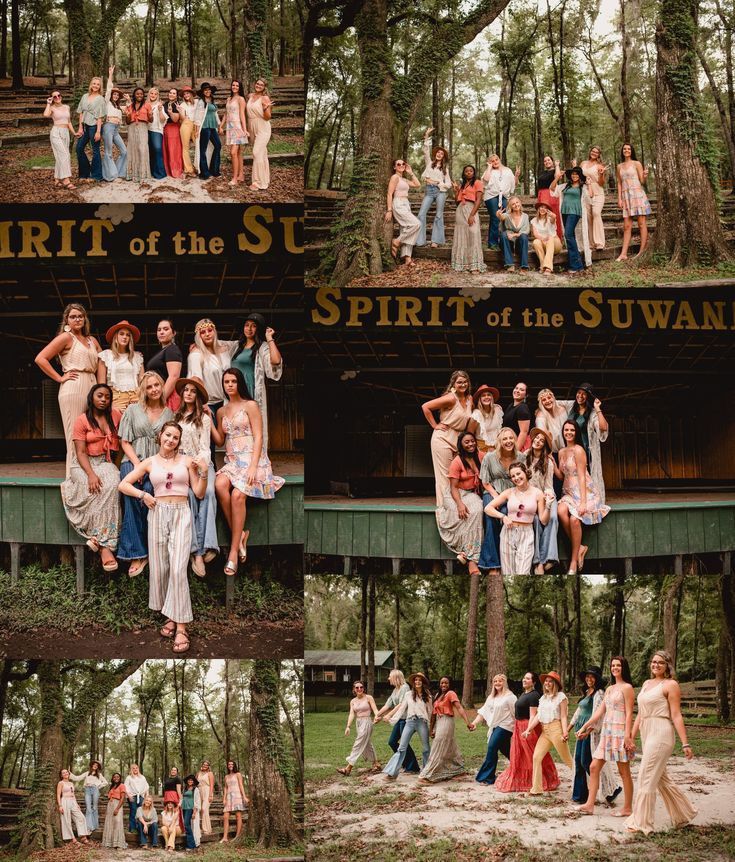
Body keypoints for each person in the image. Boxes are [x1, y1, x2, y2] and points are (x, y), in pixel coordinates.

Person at [119, 420, 208, 653]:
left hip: (181, 514)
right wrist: (143, 495)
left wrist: (205, 473)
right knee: (161, 568)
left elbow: (198, 493)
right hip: (157, 513)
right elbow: (123, 485)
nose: (171, 440)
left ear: (179, 441)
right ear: (160, 436)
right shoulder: (149, 463)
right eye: (167, 435)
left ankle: (181, 628)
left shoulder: (187, 461)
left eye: (175, 438)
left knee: (179, 569)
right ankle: (170, 616)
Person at [212, 368, 284, 575]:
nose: (230, 385)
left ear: (239, 383)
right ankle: (240, 534)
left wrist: (253, 466)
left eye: (233, 381)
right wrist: (208, 421)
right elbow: (219, 440)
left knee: (237, 495)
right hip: (233, 461)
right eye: (226, 382)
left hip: (254, 460)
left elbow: (259, 437)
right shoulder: (221, 412)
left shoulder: (251, 405)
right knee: (219, 485)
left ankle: (233, 553)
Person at [625, 649, 697, 834]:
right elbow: (640, 713)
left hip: (661, 732)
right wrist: (631, 737)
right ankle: (683, 814)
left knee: (645, 775)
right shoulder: (647, 683)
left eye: (660, 662)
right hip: (647, 731)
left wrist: (685, 743)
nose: (656, 665)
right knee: (661, 779)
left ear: (667, 666)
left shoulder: (671, 685)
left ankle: (642, 823)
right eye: (654, 662)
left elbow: (676, 715)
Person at [117, 372, 174, 576]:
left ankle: (152, 548)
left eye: (156, 385)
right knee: (131, 495)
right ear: (144, 390)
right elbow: (124, 441)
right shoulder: (133, 410)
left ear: (161, 386)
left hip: (156, 463)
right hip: (133, 460)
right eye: (149, 387)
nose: (154, 389)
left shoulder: (169, 414)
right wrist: (137, 465)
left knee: (151, 492)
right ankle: (137, 553)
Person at [34, 303, 102, 477]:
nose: (77, 319)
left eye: (80, 316)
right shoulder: (66, 337)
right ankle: (74, 480)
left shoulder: (92, 340)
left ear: (85, 319)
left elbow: (102, 362)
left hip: (93, 385)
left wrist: (102, 387)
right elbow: (40, 358)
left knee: (94, 431)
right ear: (67, 320)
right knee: (75, 435)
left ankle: (93, 475)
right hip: (74, 385)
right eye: (73, 316)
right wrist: (59, 378)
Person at [61, 383, 121, 572]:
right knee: (93, 487)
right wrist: (91, 474)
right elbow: (79, 452)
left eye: (107, 397)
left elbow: (124, 438)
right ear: (91, 398)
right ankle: (104, 547)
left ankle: (97, 538)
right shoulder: (82, 420)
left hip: (104, 462)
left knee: (113, 484)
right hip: (82, 464)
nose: (103, 400)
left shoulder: (116, 416)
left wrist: (115, 466)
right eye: (99, 396)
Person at [575, 656, 636, 817]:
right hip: (607, 733)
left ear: (624, 668)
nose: (615, 668)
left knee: (624, 772)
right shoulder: (609, 689)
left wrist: (628, 736)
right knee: (594, 767)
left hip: (620, 731)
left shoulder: (627, 688)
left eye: (618, 665)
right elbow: (599, 712)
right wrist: (584, 727)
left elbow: (629, 713)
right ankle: (589, 805)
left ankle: (627, 808)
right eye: (613, 665)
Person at [174, 378, 219, 576]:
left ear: (198, 396)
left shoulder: (205, 418)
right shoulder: (176, 417)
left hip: (201, 463)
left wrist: (200, 466)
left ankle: (207, 544)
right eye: (186, 390)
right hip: (183, 465)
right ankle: (197, 553)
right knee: (189, 496)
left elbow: (205, 447)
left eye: (193, 391)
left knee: (208, 492)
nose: (189, 393)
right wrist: (185, 463)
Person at [557, 420, 610, 573]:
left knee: (574, 519)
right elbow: (562, 476)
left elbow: (581, 476)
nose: (568, 433)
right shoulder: (561, 452)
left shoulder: (579, 450)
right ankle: (580, 546)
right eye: (566, 430)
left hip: (584, 491)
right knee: (561, 511)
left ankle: (574, 561)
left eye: (572, 430)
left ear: (576, 432)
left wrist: (583, 503)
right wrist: (553, 466)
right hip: (568, 491)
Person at [228, 314, 283, 455]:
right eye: (247, 325)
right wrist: (196, 347)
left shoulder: (262, 347)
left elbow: (276, 361)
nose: (250, 329)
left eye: (254, 326)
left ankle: (256, 461)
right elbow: (215, 346)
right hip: (234, 393)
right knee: (235, 427)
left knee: (252, 428)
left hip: (250, 392)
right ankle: (237, 461)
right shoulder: (235, 346)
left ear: (258, 329)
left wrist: (269, 338)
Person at [495, 672, 559, 793]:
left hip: (527, 726)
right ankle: (525, 779)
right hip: (519, 726)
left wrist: (528, 730)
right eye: (524, 677)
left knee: (530, 754)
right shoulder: (525, 694)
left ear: (533, 682)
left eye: (528, 678)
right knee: (520, 755)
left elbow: (533, 715)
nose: (524, 680)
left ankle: (539, 780)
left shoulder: (534, 696)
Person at [484, 461, 550, 576]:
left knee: (523, 573)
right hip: (508, 532)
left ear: (526, 472)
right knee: (508, 573)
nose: (516, 478)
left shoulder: (537, 493)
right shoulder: (509, 492)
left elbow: (543, 520)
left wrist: (548, 506)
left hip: (526, 534)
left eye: (519, 474)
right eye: (513, 476)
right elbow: (488, 508)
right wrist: (503, 516)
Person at [421, 370, 474, 506]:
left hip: (458, 439)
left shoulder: (470, 399)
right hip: (443, 437)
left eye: (465, 381)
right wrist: (434, 425)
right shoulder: (451, 398)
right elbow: (426, 407)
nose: (463, 384)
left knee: (456, 474)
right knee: (444, 476)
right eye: (459, 382)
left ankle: (456, 504)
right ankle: (444, 507)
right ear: (454, 384)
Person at [436, 431, 485, 575]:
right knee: (460, 513)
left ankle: (467, 555)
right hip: (455, 494)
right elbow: (452, 487)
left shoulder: (481, 456)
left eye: (472, 441)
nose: (470, 444)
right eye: (467, 442)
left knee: (477, 511)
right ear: (461, 445)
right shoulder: (457, 461)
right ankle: (471, 558)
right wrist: (459, 504)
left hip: (471, 493)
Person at [570, 666, 618, 805]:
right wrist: (569, 728)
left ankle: (610, 789)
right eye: (587, 676)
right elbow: (578, 713)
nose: (589, 679)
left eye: (592, 676)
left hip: (591, 733)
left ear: (597, 679)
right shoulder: (586, 692)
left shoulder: (600, 693)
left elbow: (599, 714)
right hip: (581, 730)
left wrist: (589, 730)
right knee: (579, 761)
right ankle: (580, 795)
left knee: (587, 762)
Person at [522, 670, 574, 795]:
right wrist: (528, 729)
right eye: (546, 681)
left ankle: (585, 784)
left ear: (555, 684)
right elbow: (538, 716)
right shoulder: (543, 698)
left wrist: (565, 731)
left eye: (550, 681)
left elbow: (563, 716)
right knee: (536, 757)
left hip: (556, 729)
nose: (547, 683)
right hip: (545, 731)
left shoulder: (561, 697)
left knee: (568, 760)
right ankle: (536, 789)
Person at [557, 383, 609, 504]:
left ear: (588, 397)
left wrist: (598, 408)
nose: (580, 396)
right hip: (570, 448)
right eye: (579, 393)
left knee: (586, 477)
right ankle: (574, 500)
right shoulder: (570, 406)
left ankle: (588, 502)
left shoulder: (592, 413)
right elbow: (552, 403)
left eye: (584, 394)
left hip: (586, 450)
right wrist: (540, 410)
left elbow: (603, 427)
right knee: (572, 477)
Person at [478, 426, 519, 573]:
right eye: (505, 439)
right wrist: (495, 496)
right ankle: (491, 565)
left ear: (515, 439)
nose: (508, 441)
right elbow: (485, 481)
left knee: (507, 512)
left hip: (513, 493)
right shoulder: (490, 457)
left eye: (511, 438)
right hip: (492, 491)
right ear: (499, 442)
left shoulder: (520, 457)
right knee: (491, 518)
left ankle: (508, 561)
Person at [419, 677, 471, 783]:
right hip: (439, 721)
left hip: (447, 721)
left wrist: (468, 723)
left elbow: (459, 707)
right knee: (450, 746)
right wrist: (431, 729)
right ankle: (458, 769)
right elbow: (433, 714)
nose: (444, 685)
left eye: (446, 683)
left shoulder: (451, 693)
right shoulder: (438, 696)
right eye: (442, 682)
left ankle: (430, 774)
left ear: (450, 684)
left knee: (438, 744)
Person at [382, 672, 432, 779]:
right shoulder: (408, 694)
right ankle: (392, 773)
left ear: (423, 682)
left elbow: (430, 712)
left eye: (420, 680)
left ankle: (426, 772)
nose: (417, 682)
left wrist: (432, 728)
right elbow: (402, 709)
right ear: (413, 682)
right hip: (409, 722)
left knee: (426, 748)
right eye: (416, 680)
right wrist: (392, 718)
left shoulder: (427, 695)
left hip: (422, 723)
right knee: (401, 748)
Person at [470, 674, 517, 785]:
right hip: (495, 727)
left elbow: (515, 713)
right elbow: (482, 712)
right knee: (505, 749)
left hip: (506, 726)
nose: (497, 683)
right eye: (495, 681)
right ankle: (521, 766)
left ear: (504, 682)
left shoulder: (510, 697)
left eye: (500, 681)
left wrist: (519, 728)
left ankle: (488, 777)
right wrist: (474, 723)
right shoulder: (491, 697)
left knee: (492, 747)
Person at [524, 428, 558, 573]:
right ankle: (538, 561)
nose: (538, 441)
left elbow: (549, 485)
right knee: (536, 520)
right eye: (536, 438)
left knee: (553, 518)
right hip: (529, 496)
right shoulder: (524, 456)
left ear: (544, 445)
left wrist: (548, 498)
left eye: (541, 440)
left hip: (545, 495)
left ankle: (548, 558)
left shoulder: (548, 462)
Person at [373, 670, 420, 774]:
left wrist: (390, 715)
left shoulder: (405, 687)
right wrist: (377, 715)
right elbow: (387, 704)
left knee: (404, 743)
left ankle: (413, 767)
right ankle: (405, 764)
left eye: (390, 676)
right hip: (400, 720)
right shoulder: (395, 690)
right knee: (392, 742)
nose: (388, 678)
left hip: (407, 719)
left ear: (396, 677)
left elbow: (401, 704)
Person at [97, 319, 145, 413]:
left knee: (137, 426)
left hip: (136, 396)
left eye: (128, 335)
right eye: (121, 334)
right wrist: (109, 403)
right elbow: (101, 385)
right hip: (116, 397)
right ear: (115, 337)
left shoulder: (137, 356)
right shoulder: (106, 355)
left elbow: (142, 381)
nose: (125, 337)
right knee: (117, 426)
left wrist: (142, 398)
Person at [550, 165, 590, 274]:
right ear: (570, 176)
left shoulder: (583, 187)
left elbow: (591, 196)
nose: (574, 176)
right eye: (573, 174)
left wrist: (590, 184)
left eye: (577, 174)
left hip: (575, 212)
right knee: (570, 236)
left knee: (568, 235)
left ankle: (576, 264)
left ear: (580, 176)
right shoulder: (565, 186)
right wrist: (557, 177)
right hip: (564, 212)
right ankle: (576, 265)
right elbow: (552, 188)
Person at [416, 127, 452, 247]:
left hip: (440, 192)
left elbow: (449, 184)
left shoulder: (445, 169)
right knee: (421, 214)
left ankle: (435, 241)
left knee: (438, 215)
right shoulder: (429, 164)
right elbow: (425, 150)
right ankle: (420, 240)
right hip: (429, 192)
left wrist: (438, 183)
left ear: (443, 157)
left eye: (442, 153)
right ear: (435, 154)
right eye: (438, 152)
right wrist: (426, 135)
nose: (439, 154)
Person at [616, 143, 651, 260]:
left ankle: (642, 251)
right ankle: (623, 254)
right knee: (627, 226)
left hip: (637, 195)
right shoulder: (619, 166)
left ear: (632, 151)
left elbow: (642, 181)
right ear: (622, 151)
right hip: (626, 197)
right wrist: (619, 198)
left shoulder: (637, 164)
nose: (626, 150)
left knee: (641, 223)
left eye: (629, 149)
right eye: (624, 149)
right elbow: (619, 183)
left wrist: (645, 176)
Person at [338, 680, 381, 775]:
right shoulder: (353, 701)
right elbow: (351, 714)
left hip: (367, 721)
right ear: (354, 689)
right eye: (357, 687)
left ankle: (348, 768)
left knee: (358, 743)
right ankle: (376, 764)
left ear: (363, 688)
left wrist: (377, 716)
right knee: (367, 744)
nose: (359, 689)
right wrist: (348, 726)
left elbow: (375, 709)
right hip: (358, 723)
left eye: (361, 687)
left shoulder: (368, 697)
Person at [385, 157, 421, 265]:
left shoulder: (404, 179)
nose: (401, 166)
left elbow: (417, 185)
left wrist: (411, 173)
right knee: (416, 224)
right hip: (398, 204)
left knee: (407, 228)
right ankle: (397, 241)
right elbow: (389, 194)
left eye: (403, 164)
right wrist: (389, 210)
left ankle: (407, 258)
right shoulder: (395, 177)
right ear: (394, 167)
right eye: (398, 164)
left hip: (406, 204)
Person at [451, 165, 487, 272]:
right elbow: (456, 202)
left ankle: (474, 265)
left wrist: (472, 215)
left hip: (472, 209)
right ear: (464, 173)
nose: (468, 172)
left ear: (474, 172)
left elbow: (479, 200)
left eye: (471, 171)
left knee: (473, 233)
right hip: (460, 211)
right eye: (466, 171)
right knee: (462, 235)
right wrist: (456, 191)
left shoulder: (478, 183)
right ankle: (462, 264)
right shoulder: (463, 185)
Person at [481, 154, 520, 249]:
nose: (495, 162)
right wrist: (489, 167)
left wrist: (516, 176)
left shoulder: (508, 170)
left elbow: (514, 183)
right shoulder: (489, 171)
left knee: (505, 218)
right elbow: (485, 180)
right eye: (492, 161)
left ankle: (504, 241)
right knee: (495, 217)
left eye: (496, 159)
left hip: (504, 197)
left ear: (499, 159)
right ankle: (492, 243)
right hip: (491, 196)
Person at [146, 319, 183, 411]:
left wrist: (160, 400)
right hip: (158, 395)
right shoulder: (163, 351)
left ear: (174, 333)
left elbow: (174, 376)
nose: (162, 332)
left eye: (166, 329)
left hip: (167, 398)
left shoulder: (172, 349)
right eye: (159, 330)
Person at [44, 89, 77, 189]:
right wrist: (48, 104)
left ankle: (57, 179)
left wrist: (74, 133)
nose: (57, 97)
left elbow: (69, 122)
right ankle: (66, 180)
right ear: (52, 99)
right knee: (64, 154)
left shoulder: (67, 107)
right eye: (54, 97)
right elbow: (45, 114)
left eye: (59, 95)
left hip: (65, 133)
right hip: (56, 133)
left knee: (60, 156)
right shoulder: (52, 108)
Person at [75, 76, 106, 181]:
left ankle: (96, 176)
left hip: (94, 126)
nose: (96, 86)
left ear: (100, 86)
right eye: (94, 83)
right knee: (79, 148)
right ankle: (84, 173)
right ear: (91, 85)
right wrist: (80, 127)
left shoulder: (100, 99)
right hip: (85, 127)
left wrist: (98, 131)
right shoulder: (84, 96)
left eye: (98, 84)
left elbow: (100, 117)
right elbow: (81, 112)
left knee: (95, 150)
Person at [101, 66, 128, 182]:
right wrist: (110, 74)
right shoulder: (107, 102)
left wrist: (128, 100)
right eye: (114, 94)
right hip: (108, 127)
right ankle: (110, 175)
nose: (116, 96)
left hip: (116, 130)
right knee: (108, 152)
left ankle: (118, 171)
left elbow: (129, 108)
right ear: (111, 95)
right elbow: (108, 89)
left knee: (124, 151)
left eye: (117, 95)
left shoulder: (118, 107)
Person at [579, 146, 608, 250]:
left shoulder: (600, 165)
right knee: (588, 217)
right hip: (585, 191)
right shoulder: (583, 163)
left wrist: (601, 174)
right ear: (590, 152)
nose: (594, 153)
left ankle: (599, 243)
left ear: (599, 155)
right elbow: (578, 178)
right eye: (593, 151)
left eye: (597, 152)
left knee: (596, 213)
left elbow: (601, 183)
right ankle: (591, 243)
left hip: (597, 191)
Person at [247, 78, 273, 190]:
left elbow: (268, 117)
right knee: (262, 154)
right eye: (257, 83)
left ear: (264, 87)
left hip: (263, 127)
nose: (258, 85)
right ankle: (265, 180)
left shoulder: (265, 98)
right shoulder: (250, 96)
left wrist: (265, 108)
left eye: (261, 85)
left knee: (256, 152)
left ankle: (257, 182)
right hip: (252, 126)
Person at [69, 760, 108, 832]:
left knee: (94, 807)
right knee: (88, 807)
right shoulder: (87, 773)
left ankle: (95, 825)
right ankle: (89, 826)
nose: (95, 766)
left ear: (98, 767)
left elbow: (106, 782)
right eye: (94, 764)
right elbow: (77, 778)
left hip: (95, 790)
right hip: (87, 790)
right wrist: (69, 773)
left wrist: (97, 786)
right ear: (92, 765)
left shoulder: (99, 775)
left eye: (97, 765)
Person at [223, 80, 249, 186]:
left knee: (233, 153)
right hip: (230, 127)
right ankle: (241, 175)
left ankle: (234, 178)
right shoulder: (229, 99)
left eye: (237, 85)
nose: (234, 87)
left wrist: (245, 129)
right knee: (238, 153)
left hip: (237, 128)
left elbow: (242, 115)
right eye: (233, 85)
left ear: (240, 87)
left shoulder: (241, 99)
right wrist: (221, 125)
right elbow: (226, 113)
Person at [125, 87, 152, 181]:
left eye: (141, 94)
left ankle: (144, 174)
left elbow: (151, 120)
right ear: (134, 95)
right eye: (137, 94)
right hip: (132, 128)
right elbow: (127, 122)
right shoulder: (130, 106)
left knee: (143, 148)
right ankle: (133, 175)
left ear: (143, 95)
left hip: (143, 127)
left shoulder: (147, 105)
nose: (139, 95)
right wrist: (128, 115)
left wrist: (151, 115)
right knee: (133, 149)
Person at [57, 769, 91, 845]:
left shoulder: (71, 783)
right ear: (61, 775)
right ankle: (73, 839)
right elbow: (58, 795)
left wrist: (76, 804)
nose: (65, 773)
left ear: (69, 774)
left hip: (72, 801)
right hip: (65, 801)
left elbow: (73, 794)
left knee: (81, 817)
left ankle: (83, 836)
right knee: (67, 820)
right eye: (63, 773)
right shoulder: (61, 783)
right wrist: (60, 806)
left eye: (66, 772)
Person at [196, 83, 222, 180]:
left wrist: (219, 126)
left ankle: (214, 170)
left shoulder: (212, 100)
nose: (208, 91)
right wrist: (197, 130)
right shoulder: (201, 102)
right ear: (203, 92)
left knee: (218, 145)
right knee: (203, 150)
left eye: (209, 90)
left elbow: (215, 114)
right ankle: (204, 172)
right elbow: (198, 117)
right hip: (204, 127)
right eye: (205, 90)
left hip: (212, 127)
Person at [498, 196, 530, 272]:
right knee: (503, 235)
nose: (516, 205)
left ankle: (524, 267)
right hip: (508, 243)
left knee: (524, 236)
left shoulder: (525, 216)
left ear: (520, 203)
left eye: (517, 202)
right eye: (513, 204)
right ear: (510, 207)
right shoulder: (507, 215)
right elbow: (502, 217)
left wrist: (514, 235)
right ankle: (510, 265)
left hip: (519, 244)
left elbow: (525, 231)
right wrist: (499, 215)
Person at [530, 200, 562, 275]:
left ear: (548, 210)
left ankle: (548, 267)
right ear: (538, 209)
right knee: (536, 241)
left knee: (550, 238)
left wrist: (554, 217)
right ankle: (542, 265)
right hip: (544, 243)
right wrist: (543, 239)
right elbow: (535, 234)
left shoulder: (550, 219)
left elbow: (552, 220)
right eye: (541, 207)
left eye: (545, 208)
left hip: (555, 244)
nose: (543, 209)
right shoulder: (534, 221)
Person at [535, 155, 563, 239]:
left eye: (549, 160)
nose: (547, 162)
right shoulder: (543, 172)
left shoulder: (555, 170)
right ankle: (545, 236)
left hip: (550, 194)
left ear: (552, 161)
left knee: (553, 214)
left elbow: (558, 176)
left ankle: (557, 237)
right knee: (543, 216)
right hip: (541, 194)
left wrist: (557, 165)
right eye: (545, 161)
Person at [221, 760, 248, 842]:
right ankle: (225, 837)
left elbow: (241, 785)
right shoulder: (226, 776)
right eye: (229, 764)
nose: (230, 765)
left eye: (232, 764)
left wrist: (244, 796)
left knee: (238, 816)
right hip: (229, 797)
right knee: (225, 817)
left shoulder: (238, 774)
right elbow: (225, 787)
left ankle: (237, 836)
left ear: (234, 765)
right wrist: (224, 798)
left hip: (237, 796)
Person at [471, 384, 503, 452]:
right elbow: (469, 434)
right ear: (480, 399)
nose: (486, 397)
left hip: (497, 448)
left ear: (492, 397)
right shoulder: (476, 414)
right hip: (481, 448)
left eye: (488, 395)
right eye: (483, 395)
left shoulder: (497, 409)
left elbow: (499, 430)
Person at [502, 381, 531, 451]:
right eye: (516, 388)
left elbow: (523, 432)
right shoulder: (511, 406)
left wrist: (516, 451)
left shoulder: (522, 408)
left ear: (526, 395)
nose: (517, 391)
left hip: (517, 446)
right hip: (509, 444)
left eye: (521, 390)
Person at [162, 88, 184, 179]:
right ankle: (167, 169)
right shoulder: (165, 104)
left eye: (174, 93)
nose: (171, 94)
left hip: (174, 128)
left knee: (174, 149)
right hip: (165, 128)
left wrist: (171, 113)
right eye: (170, 92)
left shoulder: (177, 104)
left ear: (176, 95)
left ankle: (176, 169)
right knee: (167, 149)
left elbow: (175, 119)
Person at [101, 772, 127, 849]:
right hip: (110, 805)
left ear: (120, 778)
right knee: (109, 823)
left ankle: (119, 844)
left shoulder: (122, 786)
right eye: (114, 777)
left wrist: (117, 808)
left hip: (117, 804)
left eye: (118, 777)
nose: (116, 778)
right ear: (112, 778)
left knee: (117, 822)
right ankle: (109, 842)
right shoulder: (112, 786)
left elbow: (122, 798)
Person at [147, 87, 168, 179]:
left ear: (158, 95)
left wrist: (159, 110)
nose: (153, 95)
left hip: (156, 130)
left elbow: (163, 119)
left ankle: (160, 173)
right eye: (152, 93)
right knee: (150, 151)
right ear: (149, 94)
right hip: (146, 129)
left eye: (155, 94)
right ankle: (152, 171)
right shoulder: (146, 104)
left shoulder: (159, 105)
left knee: (157, 149)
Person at [178, 86, 199, 176]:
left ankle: (198, 166)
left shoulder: (197, 102)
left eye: (187, 93)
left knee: (198, 145)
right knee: (185, 147)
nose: (186, 95)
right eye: (184, 94)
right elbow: (182, 118)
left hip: (196, 125)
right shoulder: (182, 105)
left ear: (191, 94)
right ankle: (189, 169)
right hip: (186, 124)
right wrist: (180, 112)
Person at [124, 763, 150, 834]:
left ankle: (140, 827)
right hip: (132, 796)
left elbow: (146, 787)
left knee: (141, 812)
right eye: (133, 768)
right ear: (131, 770)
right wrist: (129, 796)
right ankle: (132, 828)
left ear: (138, 769)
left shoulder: (142, 777)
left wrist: (146, 796)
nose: (135, 769)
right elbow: (125, 787)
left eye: (136, 768)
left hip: (141, 797)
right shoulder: (129, 777)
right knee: (133, 812)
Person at [181, 775, 202, 850]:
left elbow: (197, 801)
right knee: (186, 825)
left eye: (192, 780)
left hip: (190, 808)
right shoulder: (185, 789)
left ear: (194, 782)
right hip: (184, 808)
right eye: (189, 780)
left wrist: (194, 812)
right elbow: (182, 799)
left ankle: (191, 844)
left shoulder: (195, 789)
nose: (190, 781)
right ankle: (190, 843)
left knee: (186, 824)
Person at [196, 761, 215, 834]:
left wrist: (210, 795)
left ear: (208, 766)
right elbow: (195, 783)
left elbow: (212, 785)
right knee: (200, 809)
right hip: (199, 791)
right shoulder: (198, 773)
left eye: (206, 765)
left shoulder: (210, 774)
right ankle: (200, 828)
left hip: (207, 791)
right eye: (203, 764)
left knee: (204, 809)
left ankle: (207, 829)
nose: (204, 766)